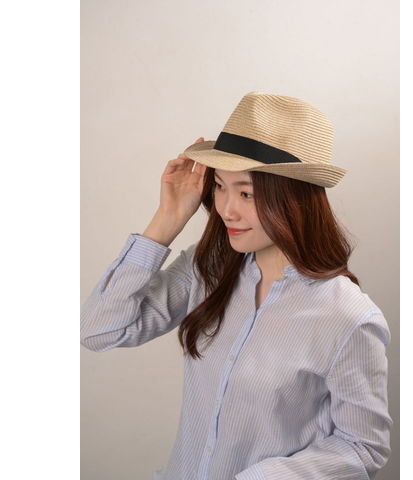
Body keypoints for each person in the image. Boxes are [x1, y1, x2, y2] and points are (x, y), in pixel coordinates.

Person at [81, 91, 393, 480]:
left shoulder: (347, 316)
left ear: (293, 200)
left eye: (246, 193)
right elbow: (98, 330)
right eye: (219, 186)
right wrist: (167, 219)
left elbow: (363, 447)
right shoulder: (208, 268)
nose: (226, 209)